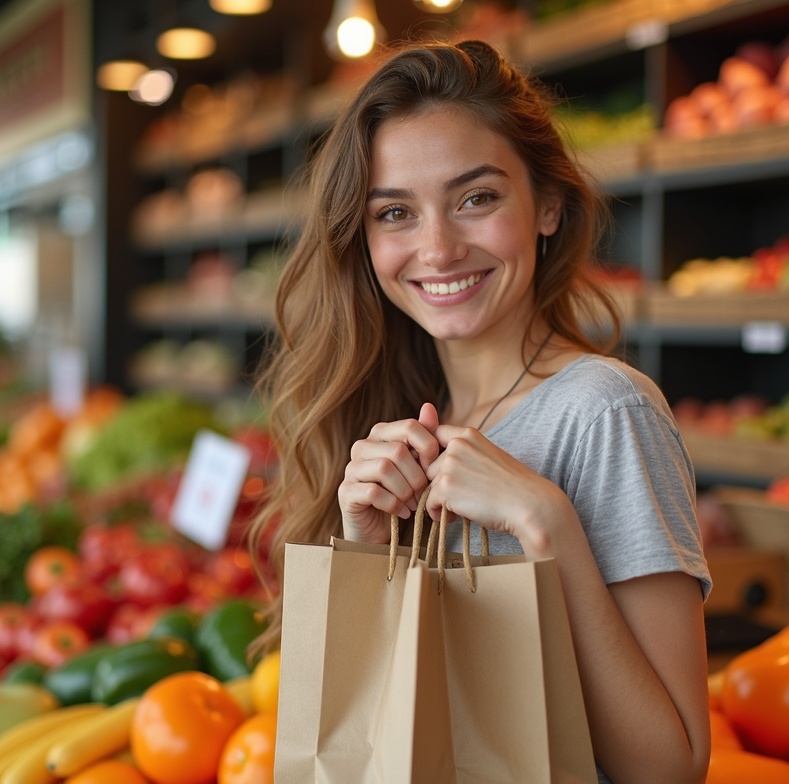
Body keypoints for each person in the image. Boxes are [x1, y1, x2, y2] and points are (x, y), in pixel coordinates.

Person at [247, 40, 712, 784]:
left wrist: (548, 526)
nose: (436, 248)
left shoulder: (604, 411)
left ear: (548, 207)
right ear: (362, 241)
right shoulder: (394, 412)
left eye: (476, 198)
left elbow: (671, 766)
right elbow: (364, 734)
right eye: (395, 213)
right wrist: (367, 547)